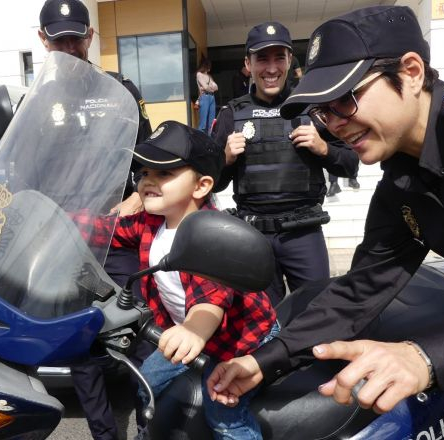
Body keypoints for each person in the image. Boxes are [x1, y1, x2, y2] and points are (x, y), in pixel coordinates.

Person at [207, 6, 444, 438]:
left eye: (345, 99)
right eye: (322, 111)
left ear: (412, 72)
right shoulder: (402, 181)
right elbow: (361, 290)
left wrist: (425, 357)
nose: (334, 124)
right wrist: (263, 360)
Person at [90, 121, 279, 439]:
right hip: (185, 336)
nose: (148, 180)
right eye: (145, 172)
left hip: (241, 342)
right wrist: (53, 218)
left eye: (164, 173)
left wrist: (193, 329)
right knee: (145, 379)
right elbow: (106, 229)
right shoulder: (152, 221)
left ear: (202, 186)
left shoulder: (209, 236)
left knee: (222, 407)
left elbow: (212, 299)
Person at [38, 1, 153, 439]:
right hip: (67, 241)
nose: (69, 46)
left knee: (140, 329)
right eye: (58, 38)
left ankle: (149, 422)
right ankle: (105, 434)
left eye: (75, 37)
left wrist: (141, 194)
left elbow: (149, 155)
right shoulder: (37, 101)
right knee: (81, 344)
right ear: (43, 40)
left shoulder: (118, 90)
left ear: (89, 37)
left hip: (118, 234)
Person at [211, 21, 359, 305]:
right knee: (263, 325)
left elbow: (351, 165)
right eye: (262, 58)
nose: (271, 68)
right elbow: (213, 182)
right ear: (248, 63)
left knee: (317, 315)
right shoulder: (232, 114)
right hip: (253, 238)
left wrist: (324, 148)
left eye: (279, 57)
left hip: (303, 234)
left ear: (290, 60)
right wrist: (226, 159)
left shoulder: (314, 107)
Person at [196, 57, 218, 134]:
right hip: (205, 97)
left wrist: (208, 88)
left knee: (211, 122)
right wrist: (210, 87)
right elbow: (207, 87)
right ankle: (200, 141)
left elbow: (216, 87)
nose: (210, 68)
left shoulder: (209, 76)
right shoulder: (199, 74)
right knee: (203, 123)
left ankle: (209, 141)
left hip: (211, 97)